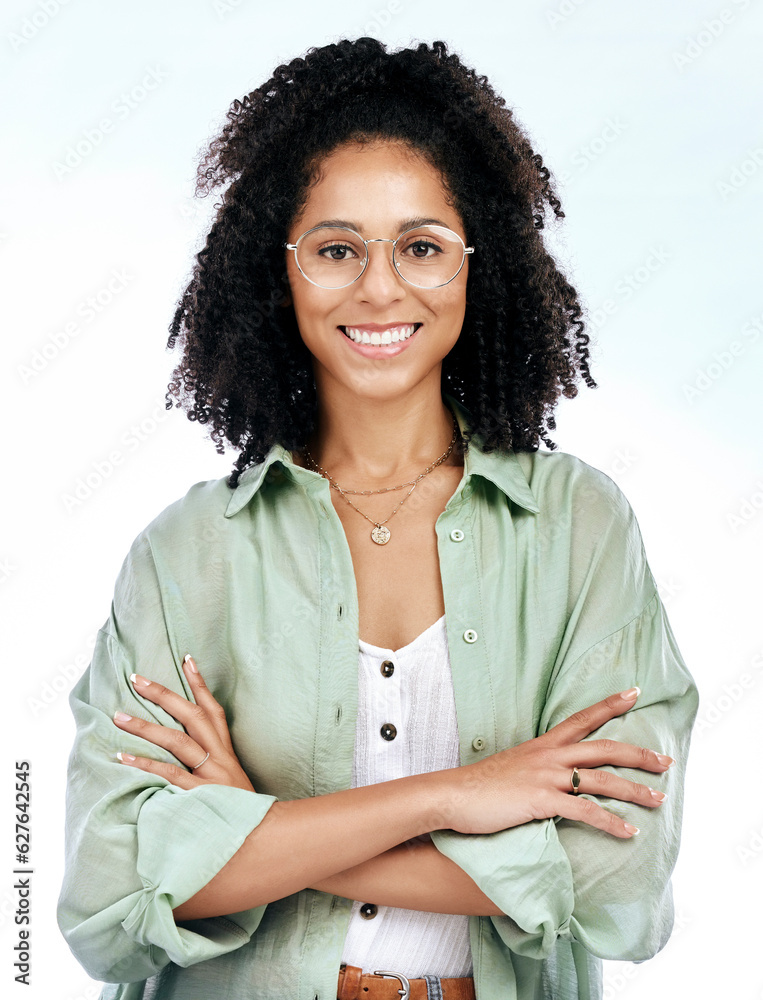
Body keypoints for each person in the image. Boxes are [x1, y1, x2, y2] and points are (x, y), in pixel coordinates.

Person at [57, 37, 699, 1000]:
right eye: (336, 249)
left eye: (422, 247)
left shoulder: (579, 530)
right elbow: (112, 901)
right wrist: (457, 799)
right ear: (280, 270)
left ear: (477, 264)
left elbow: (614, 885)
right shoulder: (189, 554)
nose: (380, 288)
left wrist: (248, 823)